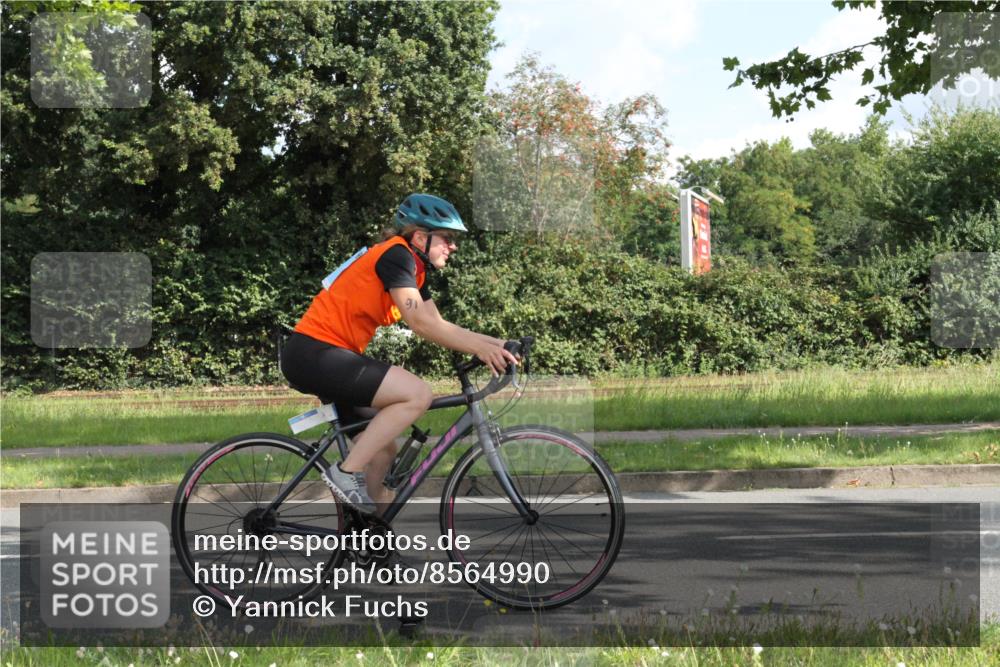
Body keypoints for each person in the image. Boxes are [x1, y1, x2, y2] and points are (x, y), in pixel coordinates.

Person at [280, 193, 518, 514]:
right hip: (315, 353)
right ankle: (344, 473)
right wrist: (483, 348)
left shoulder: (414, 270)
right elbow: (419, 322)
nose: (453, 246)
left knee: (381, 451)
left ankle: (372, 541)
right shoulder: (397, 256)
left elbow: (436, 323)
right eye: (446, 238)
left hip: (326, 356)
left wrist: (496, 345)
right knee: (417, 394)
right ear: (421, 236)